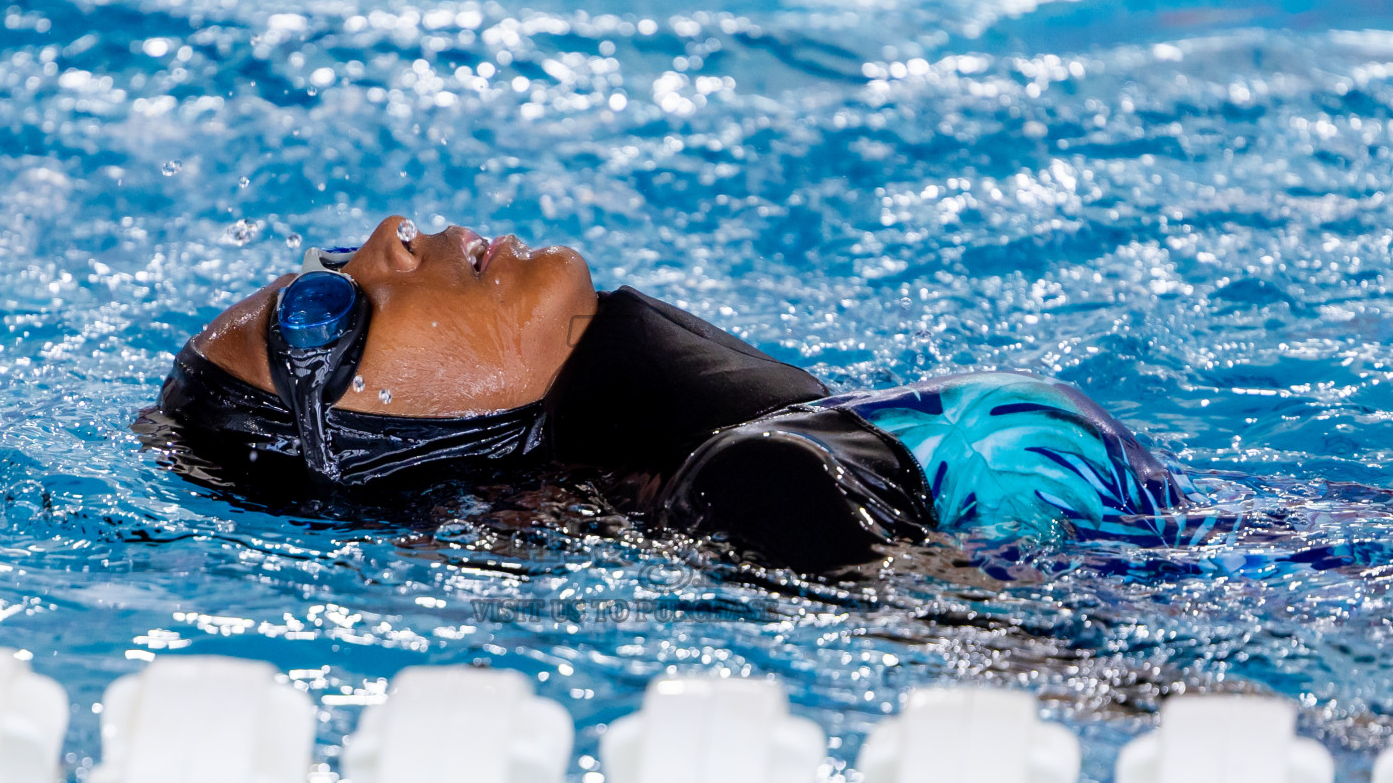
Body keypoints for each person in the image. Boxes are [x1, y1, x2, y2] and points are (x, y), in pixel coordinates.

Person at [151, 216, 1223, 574]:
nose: (386, 240)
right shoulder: (756, 493)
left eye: (339, 253)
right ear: (360, 449)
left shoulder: (756, 467)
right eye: (323, 311)